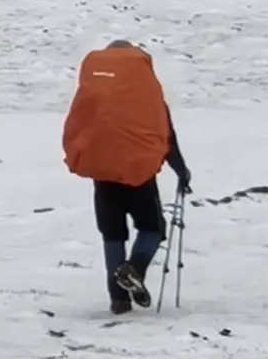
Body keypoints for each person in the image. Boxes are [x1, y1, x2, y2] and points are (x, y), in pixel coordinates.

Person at [62, 38, 192, 315]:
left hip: (103, 175)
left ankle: (118, 300)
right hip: (138, 176)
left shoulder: (93, 98)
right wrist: (181, 171)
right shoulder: (146, 98)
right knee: (153, 229)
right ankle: (134, 269)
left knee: (113, 236)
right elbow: (165, 136)